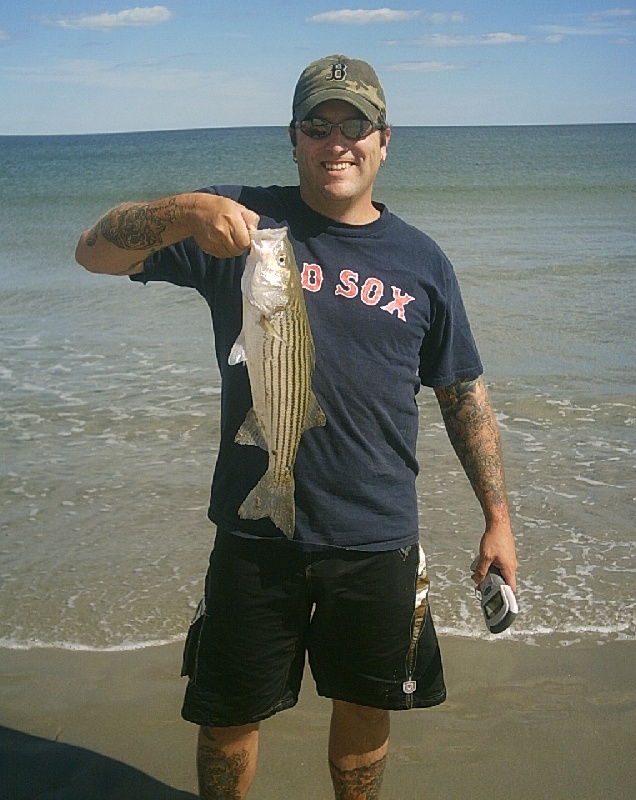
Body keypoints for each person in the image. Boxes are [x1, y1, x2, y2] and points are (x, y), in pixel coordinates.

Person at [75, 54, 517, 800]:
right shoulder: (236, 224)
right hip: (255, 534)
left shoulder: (423, 261)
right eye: (320, 124)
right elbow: (94, 252)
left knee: (367, 710)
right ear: (294, 138)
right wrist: (184, 210)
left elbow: (461, 392)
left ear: (384, 141)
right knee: (225, 716)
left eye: (356, 125)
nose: (337, 141)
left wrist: (497, 518)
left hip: (376, 532)